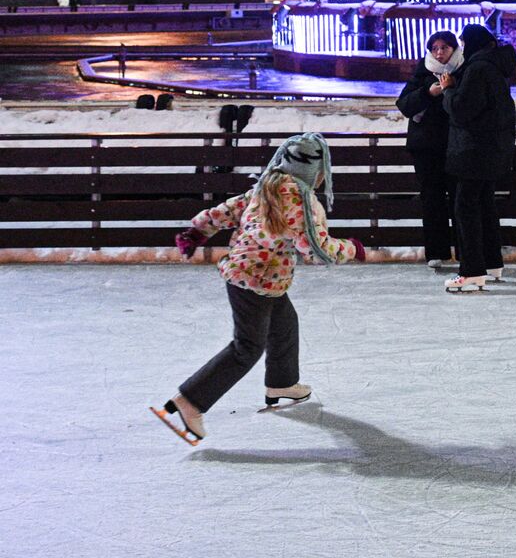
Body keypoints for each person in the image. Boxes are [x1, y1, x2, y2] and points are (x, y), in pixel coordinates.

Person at [150, 133, 364, 444]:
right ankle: (189, 401)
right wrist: (352, 248)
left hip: (258, 276)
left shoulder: (267, 184)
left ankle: (282, 383)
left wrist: (196, 231)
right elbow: (317, 249)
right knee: (246, 348)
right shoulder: (299, 200)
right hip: (256, 280)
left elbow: (228, 210)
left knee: (284, 324)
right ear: (313, 171)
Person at [442, 25, 516, 293]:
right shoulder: (494, 66)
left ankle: (472, 271)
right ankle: (491, 262)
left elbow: (463, 111)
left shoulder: (478, 69)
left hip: (474, 150)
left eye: (462, 42)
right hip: (493, 149)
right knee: (484, 204)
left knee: (465, 207)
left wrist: (449, 90)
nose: (461, 47)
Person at [396, 30, 462, 269]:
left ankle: (464, 250)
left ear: (454, 49)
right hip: (426, 148)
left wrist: (452, 87)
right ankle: (436, 252)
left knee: (459, 199)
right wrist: (428, 93)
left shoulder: (463, 70)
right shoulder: (423, 71)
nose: (439, 52)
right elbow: (404, 104)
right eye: (435, 48)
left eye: (444, 47)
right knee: (432, 200)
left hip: (456, 146)